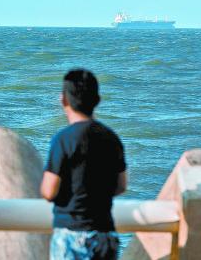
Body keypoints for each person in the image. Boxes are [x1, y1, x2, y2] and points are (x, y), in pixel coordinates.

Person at [40, 69, 127, 260]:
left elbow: (48, 191)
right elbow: (121, 186)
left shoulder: (62, 140)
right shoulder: (112, 139)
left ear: (64, 100)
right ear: (97, 100)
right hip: (105, 234)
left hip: (71, 233)